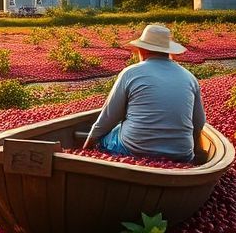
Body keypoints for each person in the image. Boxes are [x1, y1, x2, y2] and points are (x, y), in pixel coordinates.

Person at [84, 24, 206, 163]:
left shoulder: (130, 73)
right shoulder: (189, 78)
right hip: (181, 154)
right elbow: (199, 123)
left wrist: (88, 144)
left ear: (143, 50)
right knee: (121, 127)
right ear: (168, 51)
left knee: (106, 139)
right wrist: (195, 151)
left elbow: (109, 118)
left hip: (135, 150)